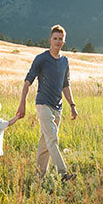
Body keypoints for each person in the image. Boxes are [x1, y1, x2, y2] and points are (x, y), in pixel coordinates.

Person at [16, 24, 78, 182]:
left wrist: (72, 105)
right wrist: (22, 103)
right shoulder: (41, 59)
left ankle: (38, 178)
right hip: (43, 104)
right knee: (52, 140)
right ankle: (63, 174)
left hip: (58, 107)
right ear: (50, 40)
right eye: (55, 38)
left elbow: (65, 85)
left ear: (64, 42)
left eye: (60, 39)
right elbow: (27, 82)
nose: (57, 41)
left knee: (45, 143)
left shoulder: (65, 61)